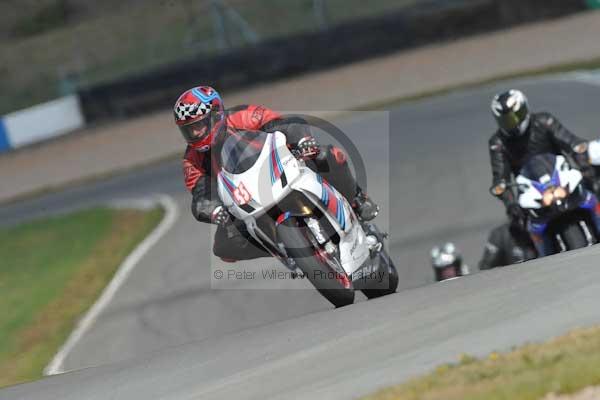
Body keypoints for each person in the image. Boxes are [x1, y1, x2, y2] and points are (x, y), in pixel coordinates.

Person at [174, 85, 379, 262]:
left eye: (199, 126)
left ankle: (357, 200)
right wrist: (212, 209)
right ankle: (285, 250)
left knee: (328, 155)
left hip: (281, 166)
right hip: (245, 199)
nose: (195, 134)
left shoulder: (243, 115)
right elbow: (201, 193)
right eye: (189, 130)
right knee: (223, 247)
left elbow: (284, 123)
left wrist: (302, 140)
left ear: (216, 114)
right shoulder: (192, 160)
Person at [488, 89, 593, 231]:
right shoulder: (497, 143)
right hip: (530, 189)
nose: (513, 123)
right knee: (516, 226)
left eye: (516, 116)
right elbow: (500, 177)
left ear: (525, 109)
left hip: (561, 176)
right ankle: (532, 251)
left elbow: (571, 142)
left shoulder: (544, 121)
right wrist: (510, 203)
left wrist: (585, 167)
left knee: (594, 183)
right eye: (506, 120)